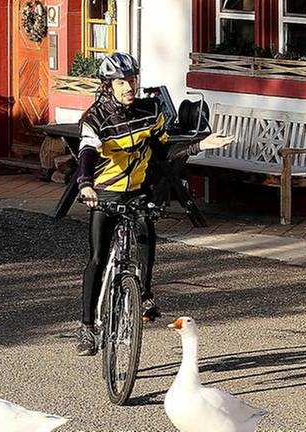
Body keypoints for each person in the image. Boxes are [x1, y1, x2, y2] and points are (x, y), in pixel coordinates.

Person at [75, 52, 234, 356]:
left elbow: (163, 151)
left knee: (146, 229)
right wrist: (85, 184)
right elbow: (86, 154)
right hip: (105, 192)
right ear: (108, 85)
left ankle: (144, 293)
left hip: (137, 191)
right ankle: (86, 327)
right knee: (97, 258)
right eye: (122, 81)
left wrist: (200, 145)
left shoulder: (150, 111)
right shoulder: (95, 119)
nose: (129, 86)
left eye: (132, 79)